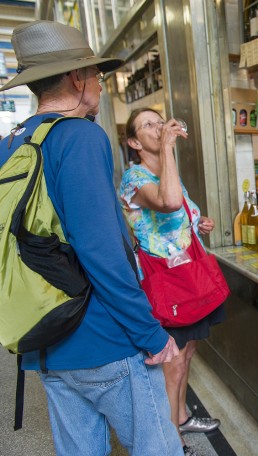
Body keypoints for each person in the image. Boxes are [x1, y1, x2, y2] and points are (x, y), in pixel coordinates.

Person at [0, 21, 183, 456]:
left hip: (44, 340)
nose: (99, 88)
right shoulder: (80, 137)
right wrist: (151, 335)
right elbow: (102, 252)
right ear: (77, 78)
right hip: (102, 338)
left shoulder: (11, 143)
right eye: (97, 77)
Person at [119, 108, 225, 453]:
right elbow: (168, 201)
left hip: (186, 278)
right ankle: (169, 439)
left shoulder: (167, 170)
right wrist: (167, 146)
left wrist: (199, 221)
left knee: (189, 351)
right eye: (149, 125)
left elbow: (181, 213)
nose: (159, 126)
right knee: (173, 360)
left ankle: (180, 416)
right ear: (134, 142)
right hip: (162, 283)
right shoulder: (134, 180)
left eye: (160, 120)